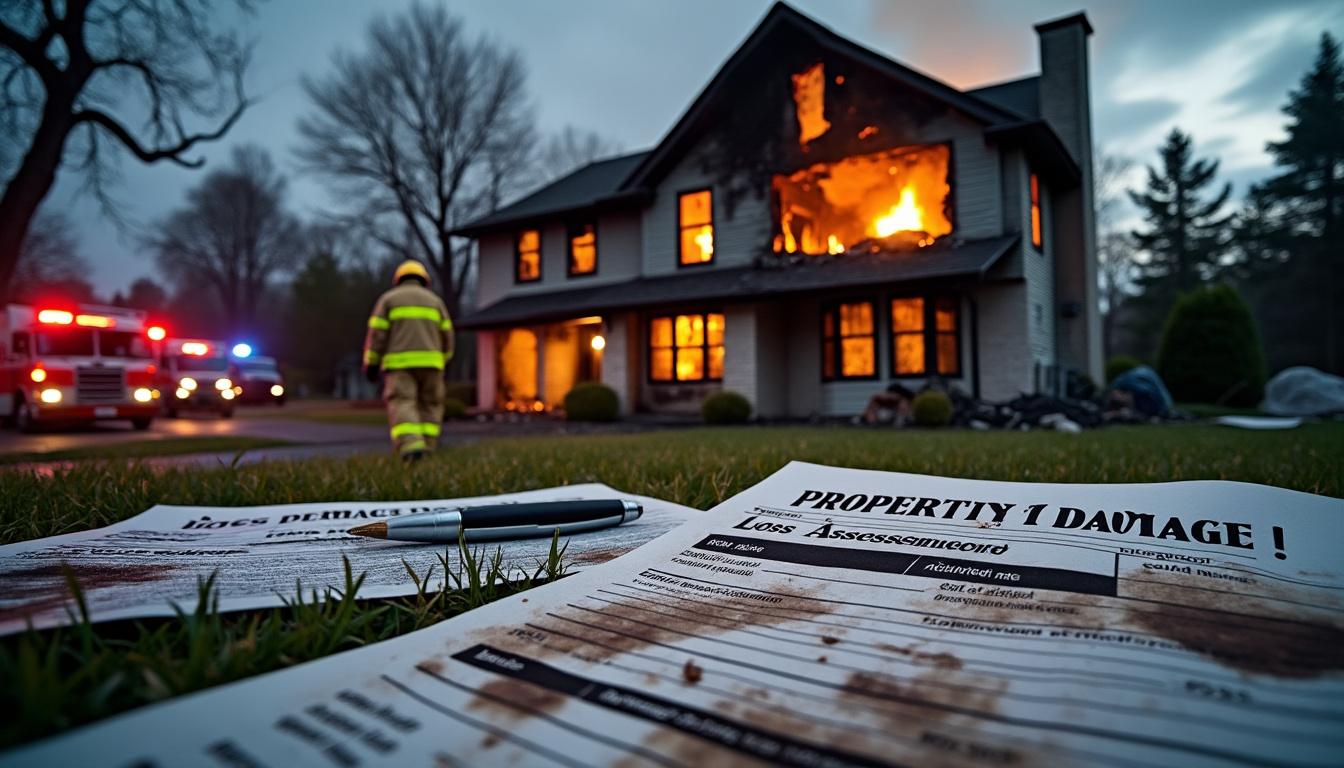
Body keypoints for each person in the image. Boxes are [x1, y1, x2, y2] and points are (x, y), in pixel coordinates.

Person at [363, 260, 454, 462]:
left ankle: (411, 446)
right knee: (431, 404)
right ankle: (428, 447)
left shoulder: (389, 299)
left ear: (399, 279)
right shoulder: (435, 301)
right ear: (424, 280)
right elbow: (447, 336)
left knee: (403, 402)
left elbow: (377, 334)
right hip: (432, 365)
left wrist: (372, 362)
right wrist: (444, 359)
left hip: (400, 365)